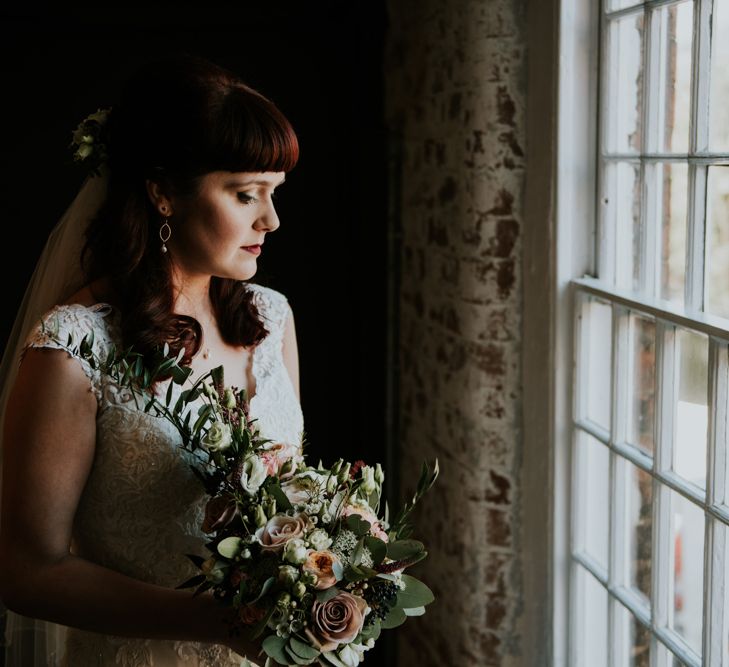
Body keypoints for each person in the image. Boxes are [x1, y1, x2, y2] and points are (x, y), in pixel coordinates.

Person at [0, 53, 304, 667]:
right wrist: (211, 621)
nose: (270, 220)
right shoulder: (73, 348)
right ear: (165, 191)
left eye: (274, 194)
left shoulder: (271, 319)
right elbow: (27, 571)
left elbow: (289, 494)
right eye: (247, 194)